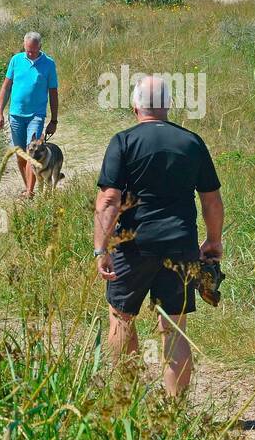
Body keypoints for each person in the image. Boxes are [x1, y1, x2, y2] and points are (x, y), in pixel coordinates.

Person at [94, 76, 223, 396]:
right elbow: (211, 199)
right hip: (179, 245)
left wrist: (101, 247)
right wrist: (213, 240)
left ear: (135, 105)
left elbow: (109, 200)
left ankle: (128, 399)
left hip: (132, 246)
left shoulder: (123, 141)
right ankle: (175, 413)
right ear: (166, 105)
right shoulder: (191, 142)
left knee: (121, 317)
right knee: (175, 329)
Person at [0, 31, 59, 199]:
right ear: (24, 46)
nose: (30, 53)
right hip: (15, 115)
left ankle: (29, 192)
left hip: (36, 115)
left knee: (32, 152)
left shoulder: (49, 64)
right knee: (20, 154)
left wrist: (54, 120)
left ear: (40, 47)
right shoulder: (16, 60)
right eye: (28, 50)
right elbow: (6, 87)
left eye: (34, 50)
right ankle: (28, 187)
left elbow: (53, 93)